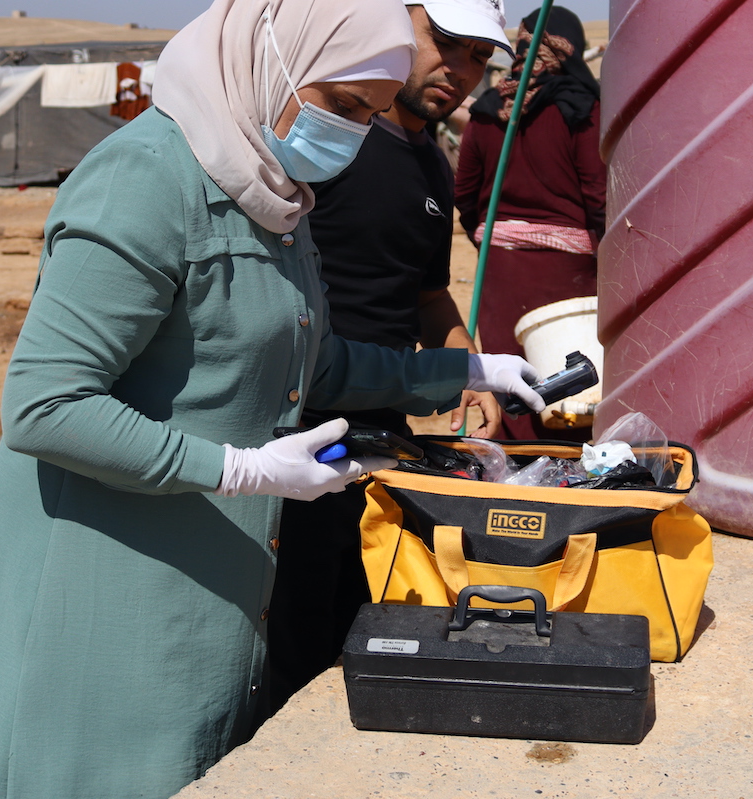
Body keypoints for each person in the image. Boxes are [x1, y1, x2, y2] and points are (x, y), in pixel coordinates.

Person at [0, 1, 544, 797]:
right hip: (103, 593)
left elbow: (314, 362)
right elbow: (45, 404)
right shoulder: (148, 177)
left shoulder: (277, 199)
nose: (353, 135)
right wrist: (243, 469)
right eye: (341, 107)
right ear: (277, 61)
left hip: (210, 593)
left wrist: (467, 373)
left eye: (368, 115)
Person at [264, 0, 513, 714]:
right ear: (400, 19)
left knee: (357, 620)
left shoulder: (433, 162)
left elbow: (428, 292)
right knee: (291, 643)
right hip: (295, 430)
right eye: (447, 43)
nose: (460, 71)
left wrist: (469, 367)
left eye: (479, 58)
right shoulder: (330, 139)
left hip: (381, 431)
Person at [454, 5, 606, 441]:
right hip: (568, 274)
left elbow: (465, 194)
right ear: (571, 50)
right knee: (568, 386)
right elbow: (598, 196)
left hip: (499, 270)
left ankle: (509, 478)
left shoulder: (486, 110)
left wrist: (490, 238)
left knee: (509, 379)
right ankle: (560, 486)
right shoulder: (582, 109)